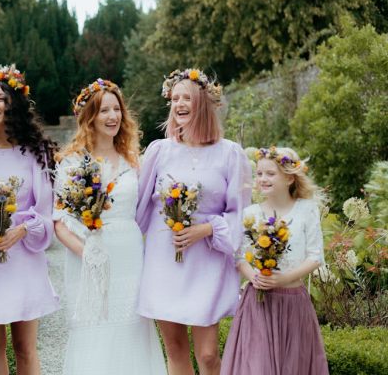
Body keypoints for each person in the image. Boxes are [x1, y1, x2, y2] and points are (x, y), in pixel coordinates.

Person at [136, 68, 252, 375]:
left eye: (186, 97)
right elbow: (137, 206)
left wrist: (206, 228)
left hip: (208, 260)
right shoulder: (159, 151)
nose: (179, 104)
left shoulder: (231, 154)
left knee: (208, 354)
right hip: (164, 259)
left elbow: (241, 213)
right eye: (174, 98)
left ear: (203, 103)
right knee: (174, 350)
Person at [53, 78, 167, 375]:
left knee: (130, 327)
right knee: (95, 328)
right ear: (89, 116)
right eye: (104, 110)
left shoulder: (134, 160)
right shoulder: (72, 163)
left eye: (117, 109)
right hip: (89, 256)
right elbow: (60, 221)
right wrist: (88, 252)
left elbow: (149, 211)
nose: (113, 116)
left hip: (129, 255)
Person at [0, 64, 60, 375]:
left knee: (24, 349)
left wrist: (20, 231)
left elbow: (45, 211)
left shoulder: (37, 154)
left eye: (0, 98)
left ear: (14, 104)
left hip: (24, 259)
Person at [220, 147, 329, 375]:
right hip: (258, 304)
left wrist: (284, 278)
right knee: (258, 367)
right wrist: (254, 277)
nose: (262, 179)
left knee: (292, 367)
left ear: (289, 177)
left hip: (293, 304)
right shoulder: (250, 213)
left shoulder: (306, 210)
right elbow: (238, 256)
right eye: (259, 174)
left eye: (270, 174)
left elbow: (315, 256)